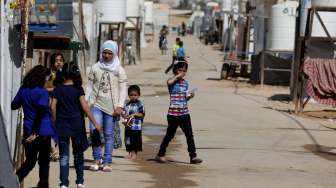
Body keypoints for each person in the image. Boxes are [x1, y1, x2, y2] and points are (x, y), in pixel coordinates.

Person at [51, 63, 101, 188]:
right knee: (78, 154)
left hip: (62, 126)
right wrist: (95, 123)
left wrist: (54, 122)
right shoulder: (78, 90)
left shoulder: (58, 89)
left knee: (64, 156)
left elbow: (52, 107)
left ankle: (64, 184)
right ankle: (79, 182)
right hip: (77, 125)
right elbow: (85, 107)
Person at [11, 65, 57, 188]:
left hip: (28, 129)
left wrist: (25, 101)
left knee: (30, 162)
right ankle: (43, 185)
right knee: (44, 162)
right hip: (41, 132)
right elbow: (41, 111)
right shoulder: (42, 92)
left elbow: (13, 105)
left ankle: (15, 179)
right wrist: (35, 132)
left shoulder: (23, 90)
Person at [86, 40, 128, 172]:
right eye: (104, 52)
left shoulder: (119, 70)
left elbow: (123, 89)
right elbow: (89, 87)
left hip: (111, 108)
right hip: (95, 105)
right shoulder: (95, 67)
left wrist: (120, 106)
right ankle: (96, 160)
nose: (106, 55)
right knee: (94, 131)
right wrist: (86, 103)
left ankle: (107, 161)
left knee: (109, 135)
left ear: (114, 54)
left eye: (109, 53)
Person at [155, 61, 202, 164]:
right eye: (180, 70)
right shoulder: (172, 82)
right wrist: (177, 76)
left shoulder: (185, 83)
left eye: (184, 71)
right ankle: (160, 154)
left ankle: (193, 156)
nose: (182, 73)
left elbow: (184, 98)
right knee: (169, 135)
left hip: (184, 114)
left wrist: (190, 96)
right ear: (175, 71)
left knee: (189, 135)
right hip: (173, 115)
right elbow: (169, 82)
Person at [46, 53, 65, 161]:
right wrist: (54, 89)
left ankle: (56, 151)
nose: (58, 62)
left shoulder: (64, 74)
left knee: (59, 128)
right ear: (52, 62)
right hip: (49, 103)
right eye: (56, 60)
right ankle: (52, 149)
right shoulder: (48, 74)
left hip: (61, 104)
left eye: (60, 60)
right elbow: (43, 88)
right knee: (49, 127)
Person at [122, 85, 145, 160]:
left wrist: (134, 114)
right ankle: (129, 153)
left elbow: (142, 114)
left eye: (135, 95)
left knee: (135, 140)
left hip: (136, 126)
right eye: (131, 95)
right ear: (128, 95)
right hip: (128, 126)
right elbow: (125, 114)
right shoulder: (127, 104)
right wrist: (124, 115)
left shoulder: (140, 104)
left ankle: (134, 153)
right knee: (127, 140)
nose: (133, 97)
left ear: (138, 95)